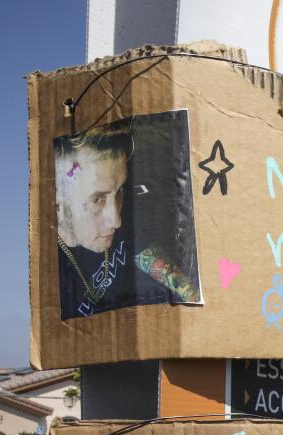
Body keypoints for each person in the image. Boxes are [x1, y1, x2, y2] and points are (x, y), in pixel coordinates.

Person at [54, 120, 200, 319]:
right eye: (97, 199)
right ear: (58, 206)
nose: (116, 221)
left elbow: (178, 283)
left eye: (119, 191)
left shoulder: (127, 218)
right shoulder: (52, 280)